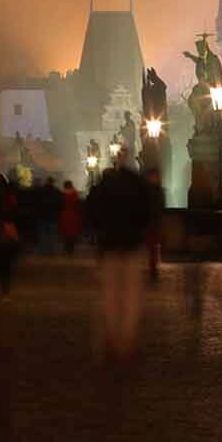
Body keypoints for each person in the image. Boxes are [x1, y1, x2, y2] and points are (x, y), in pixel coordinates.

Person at [86, 148, 153, 361]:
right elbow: (148, 212)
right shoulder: (138, 185)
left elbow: (92, 212)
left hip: (109, 245)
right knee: (132, 295)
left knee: (111, 294)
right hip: (133, 244)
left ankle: (114, 336)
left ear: (116, 159)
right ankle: (127, 338)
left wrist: (99, 233)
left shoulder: (105, 185)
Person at [58, 180, 82, 256]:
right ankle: (71, 248)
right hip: (73, 214)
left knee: (65, 231)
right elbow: (78, 204)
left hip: (64, 214)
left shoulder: (62, 194)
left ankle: (66, 247)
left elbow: (60, 204)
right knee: (72, 231)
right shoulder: (75, 193)